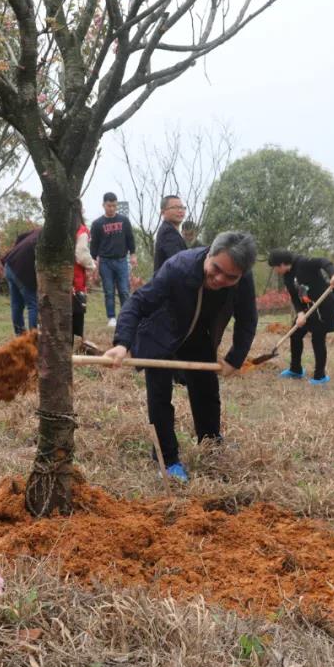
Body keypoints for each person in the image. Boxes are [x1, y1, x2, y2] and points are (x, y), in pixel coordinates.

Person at [104, 231, 259, 483]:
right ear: (209, 253)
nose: (219, 279)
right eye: (216, 269)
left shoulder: (243, 278)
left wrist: (234, 358)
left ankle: (211, 444)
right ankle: (167, 460)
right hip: (160, 333)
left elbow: (247, 319)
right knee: (160, 398)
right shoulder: (179, 267)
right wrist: (122, 344)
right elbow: (138, 302)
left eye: (230, 277)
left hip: (198, 336)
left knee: (207, 391)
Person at [268, 249, 334, 384]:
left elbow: (323, 262)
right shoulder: (287, 276)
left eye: (275, 267)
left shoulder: (303, 263)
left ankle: (320, 376)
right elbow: (295, 297)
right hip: (307, 308)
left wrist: (333, 275)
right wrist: (300, 313)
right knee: (295, 335)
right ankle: (296, 370)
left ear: (282, 264)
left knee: (317, 339)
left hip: (322, 308)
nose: (275, 271)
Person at [89, 192, 137, 328]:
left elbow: (130, 238)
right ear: (104, 205)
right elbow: (94, 244)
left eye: (114, 206)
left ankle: (126, 316)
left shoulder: (124, 221)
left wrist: (133, 254)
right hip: (105, 262)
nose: (112, 208)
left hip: (122, 260)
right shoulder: (97, 224)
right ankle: (111, 317)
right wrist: (93, 260)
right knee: (109, 291)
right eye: (109, 206)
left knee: (124, 290)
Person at [1, 225, 41, 335]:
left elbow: (20, 237)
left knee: (17, 305)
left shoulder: (38, 230)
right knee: (33, 304)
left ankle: (20, 337)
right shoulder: (49, 237)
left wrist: (17, 253)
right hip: (21, 270)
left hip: (10, 263)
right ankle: (33, 339)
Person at [73, 205, 96, 340]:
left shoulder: (60, 229)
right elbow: (81, 254)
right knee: (77, 308)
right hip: (75, 276)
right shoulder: (81, 231)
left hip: (60, 276)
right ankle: (77, 339)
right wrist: (91, 265)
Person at [153, 195, 188, 273]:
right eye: (175, 207)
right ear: (163, 212)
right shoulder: (168, 232)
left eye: (182, 207)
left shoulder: (171, 230)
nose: (180, 211)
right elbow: (178, 261)